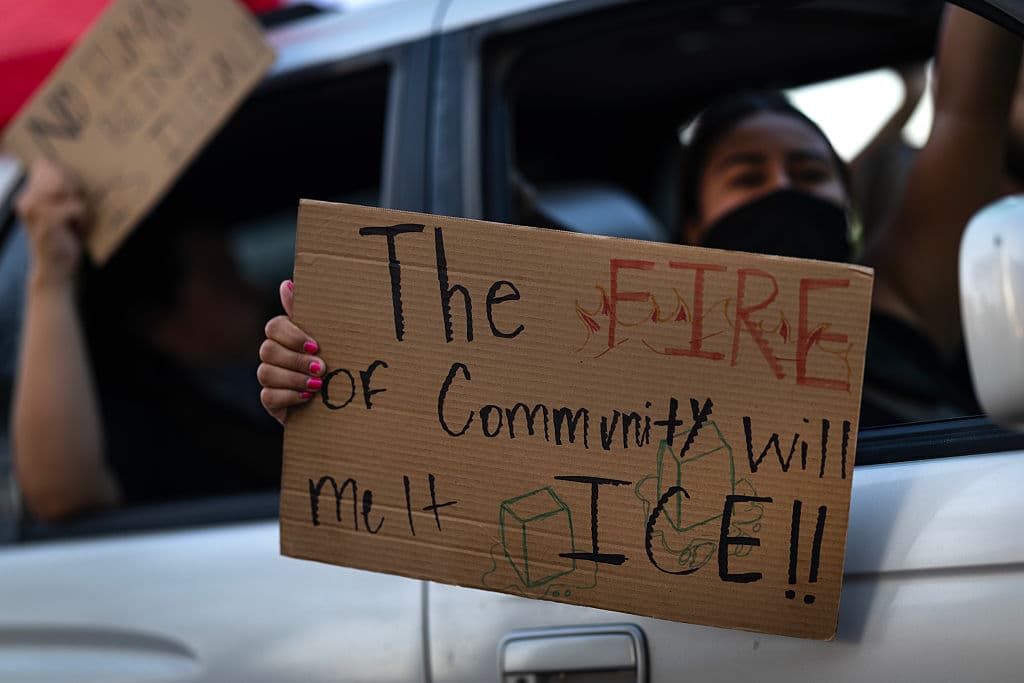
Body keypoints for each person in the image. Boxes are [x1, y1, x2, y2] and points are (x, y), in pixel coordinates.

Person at [258, 7, 1019, 428]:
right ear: (691, 228)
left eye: (810, 172)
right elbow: (450, 393)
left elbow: (969, 109)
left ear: (849, 211)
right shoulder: (629, 355)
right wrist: (323, 378)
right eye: (746, 175)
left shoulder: (902, 301)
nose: (783, 188)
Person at [11, 159, 293, 521]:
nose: (253, 292)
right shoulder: (149, 437)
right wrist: (50, 276)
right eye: (224, 278)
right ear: (155, 317)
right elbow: (62, 496)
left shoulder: (269, 386)